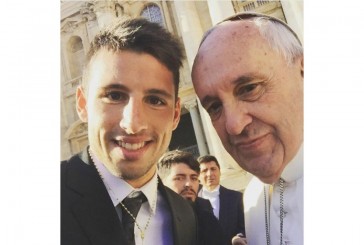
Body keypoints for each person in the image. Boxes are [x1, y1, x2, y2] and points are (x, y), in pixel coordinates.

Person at [61, 17, 198, 245]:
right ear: (83, 104)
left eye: (155, 100)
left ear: (175, 115)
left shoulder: (185, 214)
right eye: (114, 96)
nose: (133, 124)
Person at [192, 12, 303, 245]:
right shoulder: (253, 198)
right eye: (214, 107)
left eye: (249, 88)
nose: (233, 125)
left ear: (303, 71)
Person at [158, 149, 223, 245]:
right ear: (162, 182)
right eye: (179, 178)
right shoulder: (150, 219)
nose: (189, 184)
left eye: (194, 178)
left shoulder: (208, 220)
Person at [197, 155, 246, 245]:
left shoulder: (237, 198)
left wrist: (238, 237)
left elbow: (243, 227)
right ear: (198, 176)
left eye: (213, 169)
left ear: (220, 172)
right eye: (204, 171)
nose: (209, 174)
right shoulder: (193, 202)